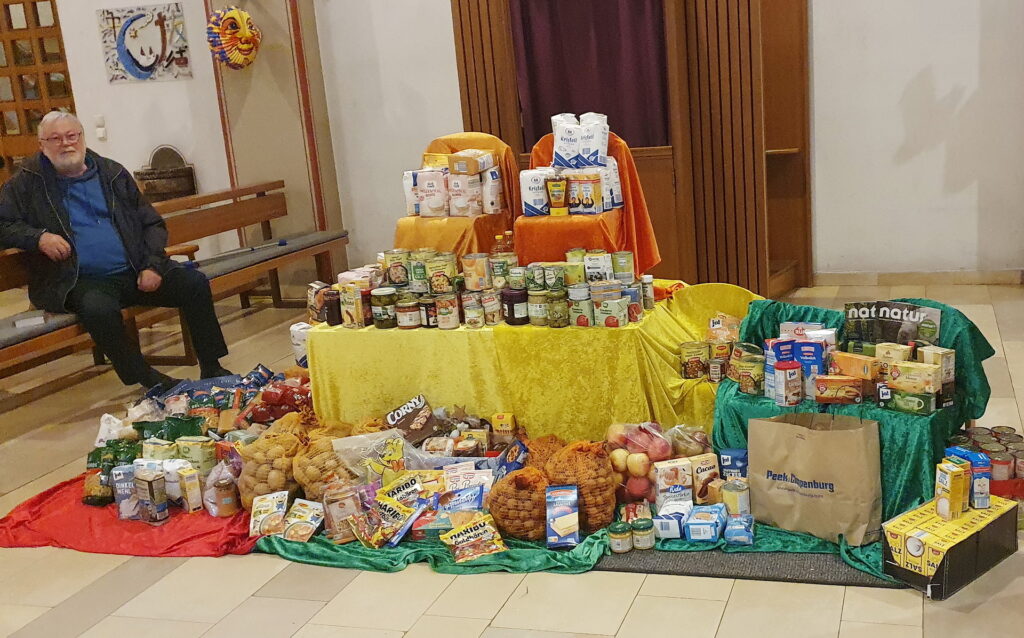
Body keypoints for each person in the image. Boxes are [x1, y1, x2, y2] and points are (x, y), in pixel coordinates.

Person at [0, 111, 231, 391]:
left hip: (134, 268)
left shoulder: (111, 173)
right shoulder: (27, 182)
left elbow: (152, 223)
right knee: (98, 310)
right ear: (42, 144)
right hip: (76, 279)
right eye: (55, 138)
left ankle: (212, 365)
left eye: (72, 136)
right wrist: (38, 237)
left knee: (193, 283)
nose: (66, 144)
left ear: (82, 138)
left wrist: (152, 265)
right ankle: (147, 378)